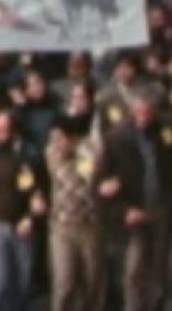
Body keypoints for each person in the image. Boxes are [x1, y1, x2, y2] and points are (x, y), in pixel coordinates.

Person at [97, 96, 172, 311]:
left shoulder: (164, 130)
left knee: (159, 269)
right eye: (139, 112)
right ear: (132, 112)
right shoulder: (116, 137)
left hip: (160, 208)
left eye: (148, 113)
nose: (143, 117)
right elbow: (101, 182)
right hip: (134, 210)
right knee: (135, 269)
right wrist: (123, 210)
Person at [0, 108, 45, 311]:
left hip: (23, 225)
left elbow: (40, 192)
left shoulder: (31, 155)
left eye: (2, 130)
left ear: (14, 130)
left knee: (23, 280)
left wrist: (31, 218)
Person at [45, 116, 105, 311]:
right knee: (64, 281)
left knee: (92, 281)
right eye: (53, 138)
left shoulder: (88, 153)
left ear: (72, 138)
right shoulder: (51, 153)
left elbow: (90, 176)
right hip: (61, 226)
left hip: (88, 225)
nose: (56, 143)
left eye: (60, 138)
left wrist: (79, 151)